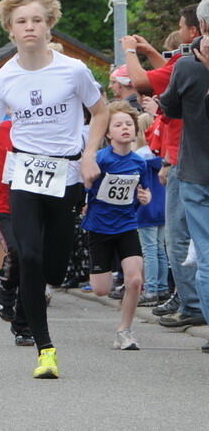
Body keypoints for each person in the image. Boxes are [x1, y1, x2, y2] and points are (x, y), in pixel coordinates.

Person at [0, 0, 107, 379]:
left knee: (55, 268)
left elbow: (99, 113)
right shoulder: (2, 80)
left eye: (36, 20)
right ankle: (45, 349)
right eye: (21, 22)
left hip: (65, 174)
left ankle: (34, 295)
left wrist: (88, 156)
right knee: (28, 256)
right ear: (10, 30)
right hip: (25, 174)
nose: (29, 27)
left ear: (49, 27)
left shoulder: (74, 70)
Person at [121, 4, 202, 324]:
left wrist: (130, 52)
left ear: (194, 31)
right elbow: (166, 78)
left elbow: (143, 83)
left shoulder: (188, 63)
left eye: (182, 27)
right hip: (187, 156)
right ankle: (187, 298)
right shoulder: (190, 63)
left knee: (178, 237)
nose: (180, 33)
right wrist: (153, 51)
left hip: (183, 158)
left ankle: (191, 304)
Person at [80, 101, 151, 350]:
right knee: (101, 289)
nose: (125, 129)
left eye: (129, 124)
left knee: (134, 280)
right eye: (118, 125)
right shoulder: (99, 159)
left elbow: (142, 192)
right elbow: (84, 186)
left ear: (135, 131)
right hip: (99, 227)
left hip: (126, 225)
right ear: (108, 132)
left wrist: (145, 198)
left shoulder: (139, 163)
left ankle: (125, 331)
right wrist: (85, 199)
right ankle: (106, 282)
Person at [160, 0, 209, 345]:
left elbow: (171, 109)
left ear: (201, 26)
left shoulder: (187, 65)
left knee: (204, 252)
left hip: (196, 170)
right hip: (194, 172)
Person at [134, 112, 168, 306]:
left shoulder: (138, 157)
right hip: (162, 207)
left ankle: (151, 289)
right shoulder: (161, 156)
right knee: (160, 249)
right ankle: (162, 288)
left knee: (149, 250)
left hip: (146, 209)